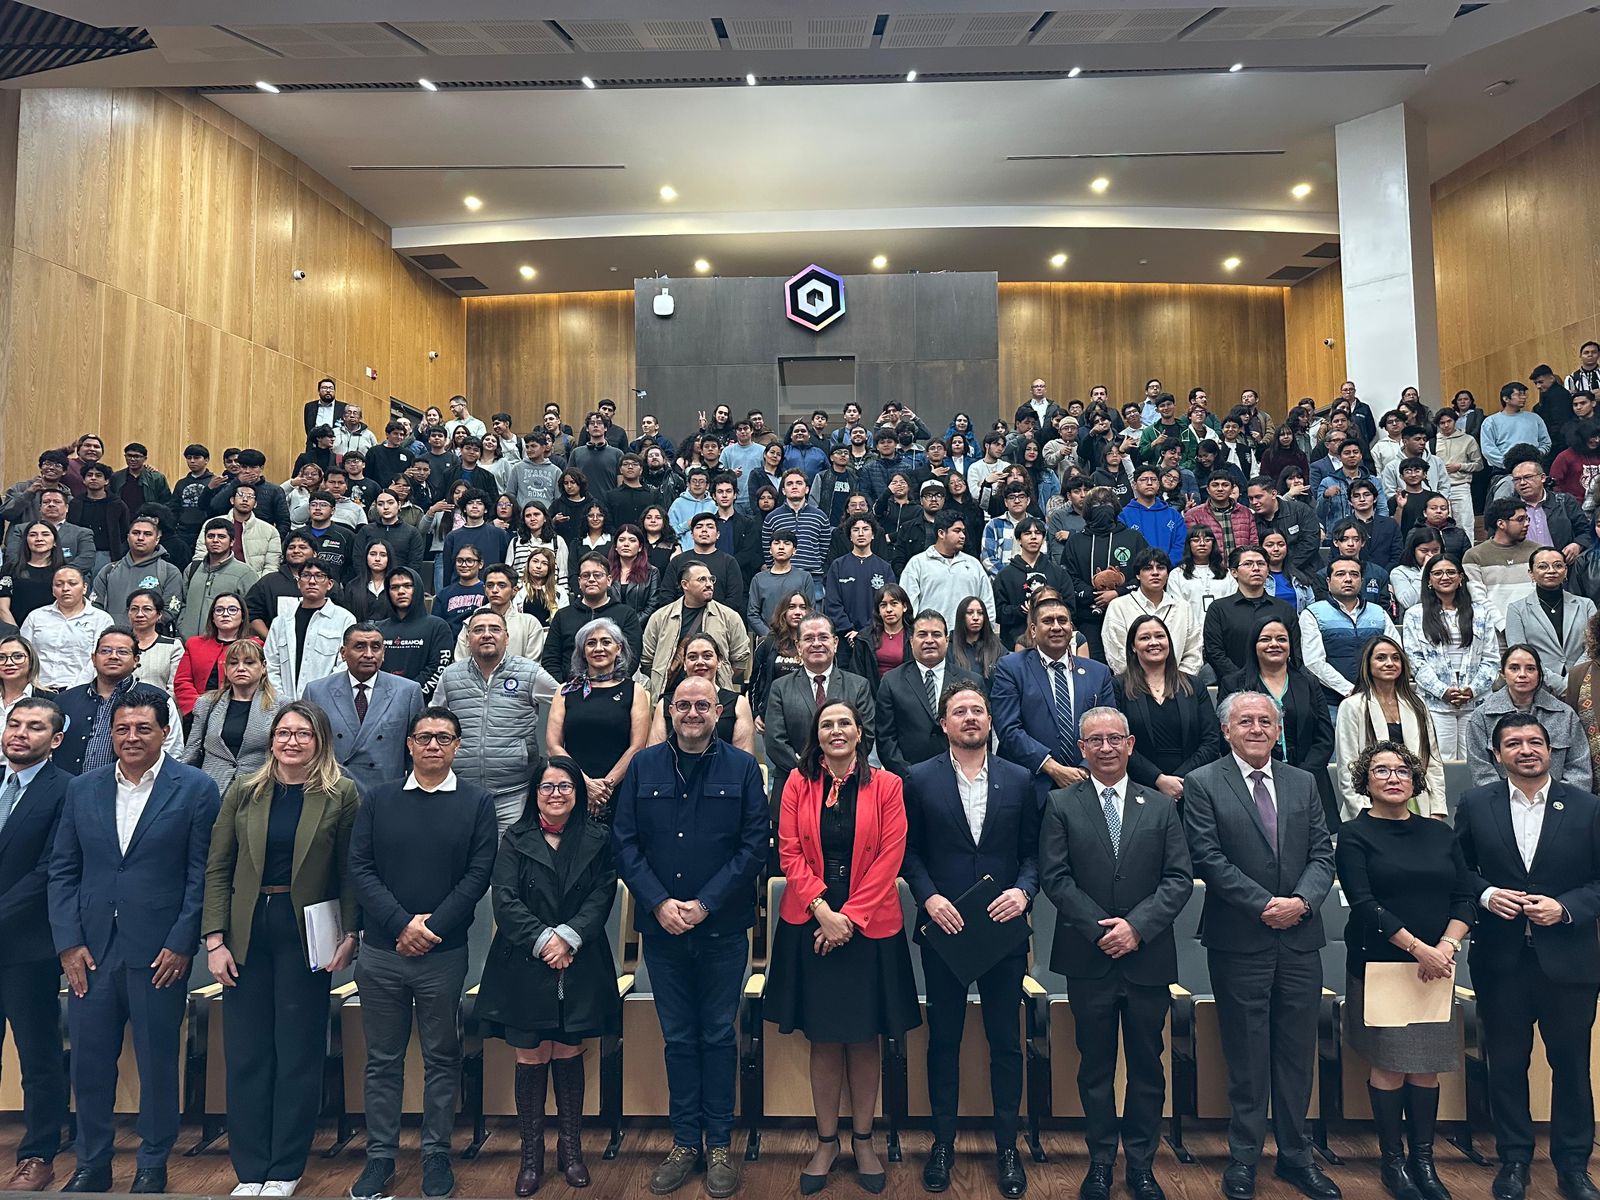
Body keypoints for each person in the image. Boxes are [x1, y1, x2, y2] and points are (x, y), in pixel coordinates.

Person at [47, 689, 221, 1194]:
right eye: (122, 728)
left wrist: (182, 941)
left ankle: (152, 1162)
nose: (131, 737)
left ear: (165, 732)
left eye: (143, 728)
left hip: (160, 951)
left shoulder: (195, 788)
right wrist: (68, 944)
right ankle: (92, 1163)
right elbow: (62, 872)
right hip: (90, 952)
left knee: (157, 1060)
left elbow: (202, 875)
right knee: (90, 1063)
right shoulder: (83, 789)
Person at [612, 675, 767, 1198]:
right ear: (669, 711)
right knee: (678, 1038)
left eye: (704, 704)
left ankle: (719, 1143)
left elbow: (752, 849)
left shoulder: (744, 769)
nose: (694, 712)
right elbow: (625, 844)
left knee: (719, 1036)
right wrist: (659, 902)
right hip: (663, 930)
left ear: (720, 711)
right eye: (684, 704)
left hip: (721, 928)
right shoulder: (644, 768)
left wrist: (704, 903)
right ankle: (684, 1142)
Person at [1183, 691, 1339, 1200]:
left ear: (1278, 729)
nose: (1256, 728)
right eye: (1245, 721)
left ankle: (1296, 1157)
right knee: (1246, 1055)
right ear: (1226, 731)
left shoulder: (1302, 782)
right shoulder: (1204, 784)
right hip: (1239, 939)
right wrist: (1264, 904)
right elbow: (1206, 855)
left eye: (1265, 721)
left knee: (1297, 1054)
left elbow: (1322, 853)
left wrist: (1301, 902)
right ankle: (1244, 1158)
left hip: (1299, 938)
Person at [200, 700, 358, 1196]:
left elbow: (351, 872)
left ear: (320, 742)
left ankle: (285, 1168)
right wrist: (214, 940)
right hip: (246, 931)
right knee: (246, 1053)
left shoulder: (341, 794)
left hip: (306, 932)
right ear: (271, 740)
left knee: (297, 1053)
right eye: (283, 732)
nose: (291, 741)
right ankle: (250, 1170)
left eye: (303, 734)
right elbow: (218, 867)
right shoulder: (245, 790)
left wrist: (351, 935)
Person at [1039, 705, 1192, 1200]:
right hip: (1089, 957)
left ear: (1130, 745)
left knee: (1148, 1064)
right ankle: (1102, 1160)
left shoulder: (1161, 806)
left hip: (1147, 956)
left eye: (1114, 739)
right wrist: (1100, 928)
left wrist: (1137, 927)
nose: (1105, 748)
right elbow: (1054, 877)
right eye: (1094, 741)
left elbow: (1178, 879)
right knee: (1095, 1065)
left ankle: (1143, 1164)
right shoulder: (1061, 805)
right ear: (1080, 750)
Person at [768, 699, 918, 1196]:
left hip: (869, 926)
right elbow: (788, 850)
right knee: (825, 1037)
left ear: (859, 733)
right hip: (811, 921)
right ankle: (827, 1141)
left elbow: (891, 856)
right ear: (818, 734)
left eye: (844, 724)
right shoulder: (796, 782)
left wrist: (847, 918)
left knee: (865, 1037)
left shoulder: (888, 785)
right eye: (826, 724)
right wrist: (823, 912)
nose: (836, 731)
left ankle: (864, 1138)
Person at [346, 707, 497, 1200]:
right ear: (409, 744)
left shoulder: (477, 803)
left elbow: (477, 876)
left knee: (441, 1056)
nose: (434, 745)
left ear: (457, 746)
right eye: (425, 737)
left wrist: (429, 927)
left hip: (443, 952)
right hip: (383, 952)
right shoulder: (379, 799)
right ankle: (380, 1157)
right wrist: (399, 924)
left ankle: (436, 1153)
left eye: (444, 738)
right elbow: (360, 868)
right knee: (383, 1059)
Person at [895, 683, 1037, 1196]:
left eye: (978, 710)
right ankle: (943, 1143)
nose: (971, 718)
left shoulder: (1019, 779)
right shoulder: (918, 778)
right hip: (945, 928)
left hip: (1002, 926)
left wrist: (1024, 893)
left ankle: (1006, 1146)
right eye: (960, 711)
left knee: (1005, 1042)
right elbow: (908, 852)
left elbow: (1033, 853)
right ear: (944, 723)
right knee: (945, 1041)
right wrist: (929, 898)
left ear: (990, 719)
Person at [1455, 713, 1600, 1200]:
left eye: (1535, 741)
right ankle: (1513, 1160)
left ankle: (1573, 1165)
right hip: (1501, 960)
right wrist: (1486, 894)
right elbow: (1458, 872)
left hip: (1570, 961)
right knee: (1508, 1063)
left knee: (1571, 1065)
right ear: (1496, 754)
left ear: (1551, 750)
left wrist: (1565, 908)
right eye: (1513, 743)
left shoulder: (1587, 807)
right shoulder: (1476, 804)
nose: (1526, 749)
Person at [1334, 739, 1472, 1200]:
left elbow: (1464, 897)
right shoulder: (1354, 834)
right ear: (1365, 782)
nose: (1394, 778)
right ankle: (1393, 1163)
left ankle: (1424, 1161)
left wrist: (1446, 945)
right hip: (1383, 965)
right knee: (1391, 1066)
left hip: (1436, 965)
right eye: (1382, 770)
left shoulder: (1440, 833)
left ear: (1415, 780)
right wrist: (1420, 949)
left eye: (1402, 771)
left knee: (1427, 1069)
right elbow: (1364, 904)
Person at [0, 698, 71, 1192]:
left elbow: (50, 870)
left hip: (27, 946)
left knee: (37, 1055)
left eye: (35, 727)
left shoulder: (67, 790)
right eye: (14, 723)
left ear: (57, 739)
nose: (21, 733)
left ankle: (39, 1154)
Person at [434, 609, 560, 833]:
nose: (486, 634)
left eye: (494, 629)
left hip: (515, 793)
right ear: (467, 637)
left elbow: (566, 701)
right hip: (462, 791)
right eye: (478, 630)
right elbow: (433, 721)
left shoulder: (529, 672)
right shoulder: (450, 676)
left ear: (507, 637)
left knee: (508, 863)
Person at [992, 594, 1115, 808]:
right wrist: (1052, 768)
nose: (1056, 627)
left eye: (1063, 621)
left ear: (1071, 628)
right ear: (1033, 630)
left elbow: (1109, 728)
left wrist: (1085, 768)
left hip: (1086, 784)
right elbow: (1008, 728)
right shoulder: (1011, 668)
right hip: (1031, 787)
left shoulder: (1099, 673)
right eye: (1048, 621)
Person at [545, 617, 652, 824]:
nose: (598, 648)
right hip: (572, 787)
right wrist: (585, 784)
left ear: (618, 648)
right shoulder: (565, 691)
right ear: (583, 651)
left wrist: (604, 788)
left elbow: (637, 746)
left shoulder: (634, 691)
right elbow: (553, 745)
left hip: (619, 789)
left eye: (606, 642)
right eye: (591, 643)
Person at [303, 623, 425, 796]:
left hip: (386, 794)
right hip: (332, 793)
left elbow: (415, 754)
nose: (368, 654)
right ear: (343, 653)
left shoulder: (407, 692)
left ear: (383, 653)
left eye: (375, 647)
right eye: (359, 647)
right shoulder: (316, 691)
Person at [763, 615, 875, 802]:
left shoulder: (858, 686)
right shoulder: (780, 688)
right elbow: (775, 741)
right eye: (808, 638)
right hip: (794, 787)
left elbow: (866, 736)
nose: (816, 644)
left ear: (836, 642)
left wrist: (835, 769)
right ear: (798, 646)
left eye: (823, 637)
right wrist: (810, 770)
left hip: (848, 789)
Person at [1334, 636, 1448, 821]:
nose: (1389, 663)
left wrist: (1437, 809)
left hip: (1417, 802)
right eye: (1381, 658)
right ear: (1368, 664)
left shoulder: (1417, 705)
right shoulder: (1352, 706)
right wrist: (1365, 817)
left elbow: (1432, 760)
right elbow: (1348, 767)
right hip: (1370, 806)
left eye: (1395, 658)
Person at [1113, 614, 1222, 803]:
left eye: (1160, 636)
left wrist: (1179, 781)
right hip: (1139, 788)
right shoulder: (1118, 686)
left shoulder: (1194, 685)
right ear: (1133, 646)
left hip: (1191, 788)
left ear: (1169, 642)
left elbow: (1211, 742)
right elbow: (1117, 742)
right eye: (1145, 638)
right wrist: (1158, 779)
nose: (1153, 642)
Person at [1401, 556, 1498, 759]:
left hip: (1475, 701)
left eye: (1451, 572)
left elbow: (1491, 659)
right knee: (1439, 759)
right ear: (1428, 580)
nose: (1445, 577)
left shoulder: (1480, 613)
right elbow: (1415, 661)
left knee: (1475, 758)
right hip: (1435, 703)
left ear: (1461, 577)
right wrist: (1443, 691)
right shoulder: (1414, 615)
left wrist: (1471, 690)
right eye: (1437, 573)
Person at [1465, 645, 1592, 789]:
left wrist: (1554, 800)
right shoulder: (1482, 717)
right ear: (1502, 674)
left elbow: (1579, 769)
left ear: (1540, 673)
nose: (1522, 674)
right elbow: (1481, 771)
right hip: (1501, 804)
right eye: (1514, 668)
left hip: (1559, 804)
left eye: (1530, 669)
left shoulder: (1565, 715)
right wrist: (1506, 801)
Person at [874, 610, 981, 778]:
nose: (929, 640)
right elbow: (885, 738)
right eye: (922, 634)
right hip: (910, 779)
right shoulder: (891, 681)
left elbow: (981, 734)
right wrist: (909, 774)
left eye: (936, 634)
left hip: (962, 776)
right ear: (911, 641)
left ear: (947, 640)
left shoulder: (971, 681)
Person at [1298, 556, 1399, 715]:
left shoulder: (1379, 613)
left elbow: (1396, 654)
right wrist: (1350, 690)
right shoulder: (1313, 614)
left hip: (1377, 699)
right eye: (1340, 574)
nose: (1348, 579)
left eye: (1354, 574)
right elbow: (1314, 662)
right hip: (1332, 702)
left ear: (1362, 581)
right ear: (1328, 582)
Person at [640, 561, 751, 701]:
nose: (709, 584)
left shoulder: (729, 617)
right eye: (702, 579)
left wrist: (718, 680)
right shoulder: (660, 617)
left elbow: (740, 661)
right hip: (669, 697)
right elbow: (647, 660)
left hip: (714, 700)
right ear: (685, 584)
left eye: (711, 579)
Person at [182, 640, 280, 794]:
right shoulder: (207, 702)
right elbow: (192, 750)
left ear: (263, 667)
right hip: (211, 789)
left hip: (258, 790)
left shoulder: (281, 705)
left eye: (249, 663)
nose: (241, 668)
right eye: (233, 663)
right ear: (226, 669)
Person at [648, 632, 758, 755]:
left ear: (719, 661)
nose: (699, 662)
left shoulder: (738, 704)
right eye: (692, 657)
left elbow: (743, 760)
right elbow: (655, 756)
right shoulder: (665, 704)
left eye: (707, 656)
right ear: (684, 664)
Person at [1506, 547, 1596, 694]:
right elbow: (1520, 653)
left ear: (1566, 571)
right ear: (1531, 573)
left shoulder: (1586, 605)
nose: (1551, 570)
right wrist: (1556, 683)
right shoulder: (1517, 609)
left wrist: (1571, 680)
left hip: (1584, 685)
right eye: (1542, 566)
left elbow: (1593, 648)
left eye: (1558, 565)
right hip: (1538, 687)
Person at [1202, 547, 1298, 684]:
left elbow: (1295, 653)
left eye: (1261, 564)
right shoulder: (1219, 609)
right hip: (1234, 688)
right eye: (1248, 564)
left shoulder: (1284, 609)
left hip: (1279, 685)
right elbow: (1215, 652)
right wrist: (1242, 680)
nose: (1256, 568)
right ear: (1234, 572)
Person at [1102, 548, 1202, 677]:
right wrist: (1142, 680)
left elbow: (1194, 649)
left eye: (1160, 568)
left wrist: (1179, 680)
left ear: (1167, 573)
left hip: (1178, 685)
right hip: (1133, 685)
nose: (1155, 573)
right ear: (1138, 575)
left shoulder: (1183, 607)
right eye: (1148, 568)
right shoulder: (1119, 606)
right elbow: (1116, 652)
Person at [262, 562, 355, 700]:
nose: (312, 581)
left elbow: (345, 664)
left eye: (319, 576)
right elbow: (271, 664)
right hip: (284, 704)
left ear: (329, 584)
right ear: (299, 583)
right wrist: (282, 700)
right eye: (306, 576)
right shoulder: (281, 621)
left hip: (327, 702)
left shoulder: (344, 619)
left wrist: (320, 696)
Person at [21, 564, 113, 690]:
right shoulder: (36, 616)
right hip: (38, 688)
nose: (65, 589)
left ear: (85, 587)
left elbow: (99, 659)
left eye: (72, 583)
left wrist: (75, 689)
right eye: (59, 585)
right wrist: (34, 685)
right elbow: (24, 653)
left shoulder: (101, 619)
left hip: (82, 690)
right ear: (53, 590)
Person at [899, 509, 995, 630]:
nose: (963, 536)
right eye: (957, 531)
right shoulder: (918, 563)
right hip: (931, 638)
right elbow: (908, 605)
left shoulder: (973, 564)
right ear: (941, 533)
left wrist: (988, 632)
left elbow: (987, 602)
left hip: (968, 639)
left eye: (963, 532)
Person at [1465, 499, 1535, 633]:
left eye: (1527, 519)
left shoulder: (1538, 552)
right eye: (1520, 519)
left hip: (1534, 629)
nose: (1526, 524)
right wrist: (1503, 625)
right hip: (1494, 631)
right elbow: (1477, 598)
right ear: (1501, 524)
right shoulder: (1474, 556)